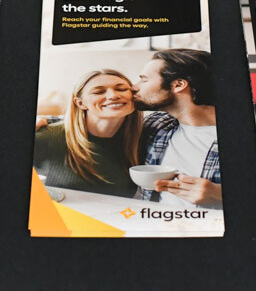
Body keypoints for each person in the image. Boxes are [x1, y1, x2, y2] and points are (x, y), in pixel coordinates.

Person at [132, 49, 221, 208]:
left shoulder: (248, 138)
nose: (133, 87)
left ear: (178, 85)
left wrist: (221, 195)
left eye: (144, 80)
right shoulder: (157, 125)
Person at [33, 69, 140, 198]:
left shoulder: (143, 140)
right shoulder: (46, 137)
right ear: (80, 103)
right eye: (98, 92)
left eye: (121, 89)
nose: (113, 95)